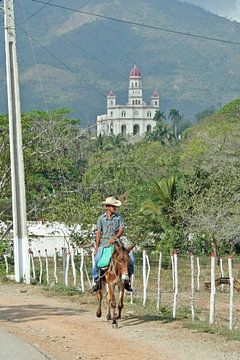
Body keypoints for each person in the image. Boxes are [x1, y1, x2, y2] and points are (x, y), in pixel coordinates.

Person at [91, 196, 134, 292]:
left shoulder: (119, 217)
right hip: (104, 244)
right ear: (107, 207)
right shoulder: (101, 218)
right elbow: (98, 232)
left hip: (117, 244)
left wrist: (115, 238)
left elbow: (121, 229)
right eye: (113, 206)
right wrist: (97, 246)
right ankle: (96, 280)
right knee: (97, 259)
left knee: (131, 259)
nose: (115, 208)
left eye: (115, 206)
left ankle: (128, 281)